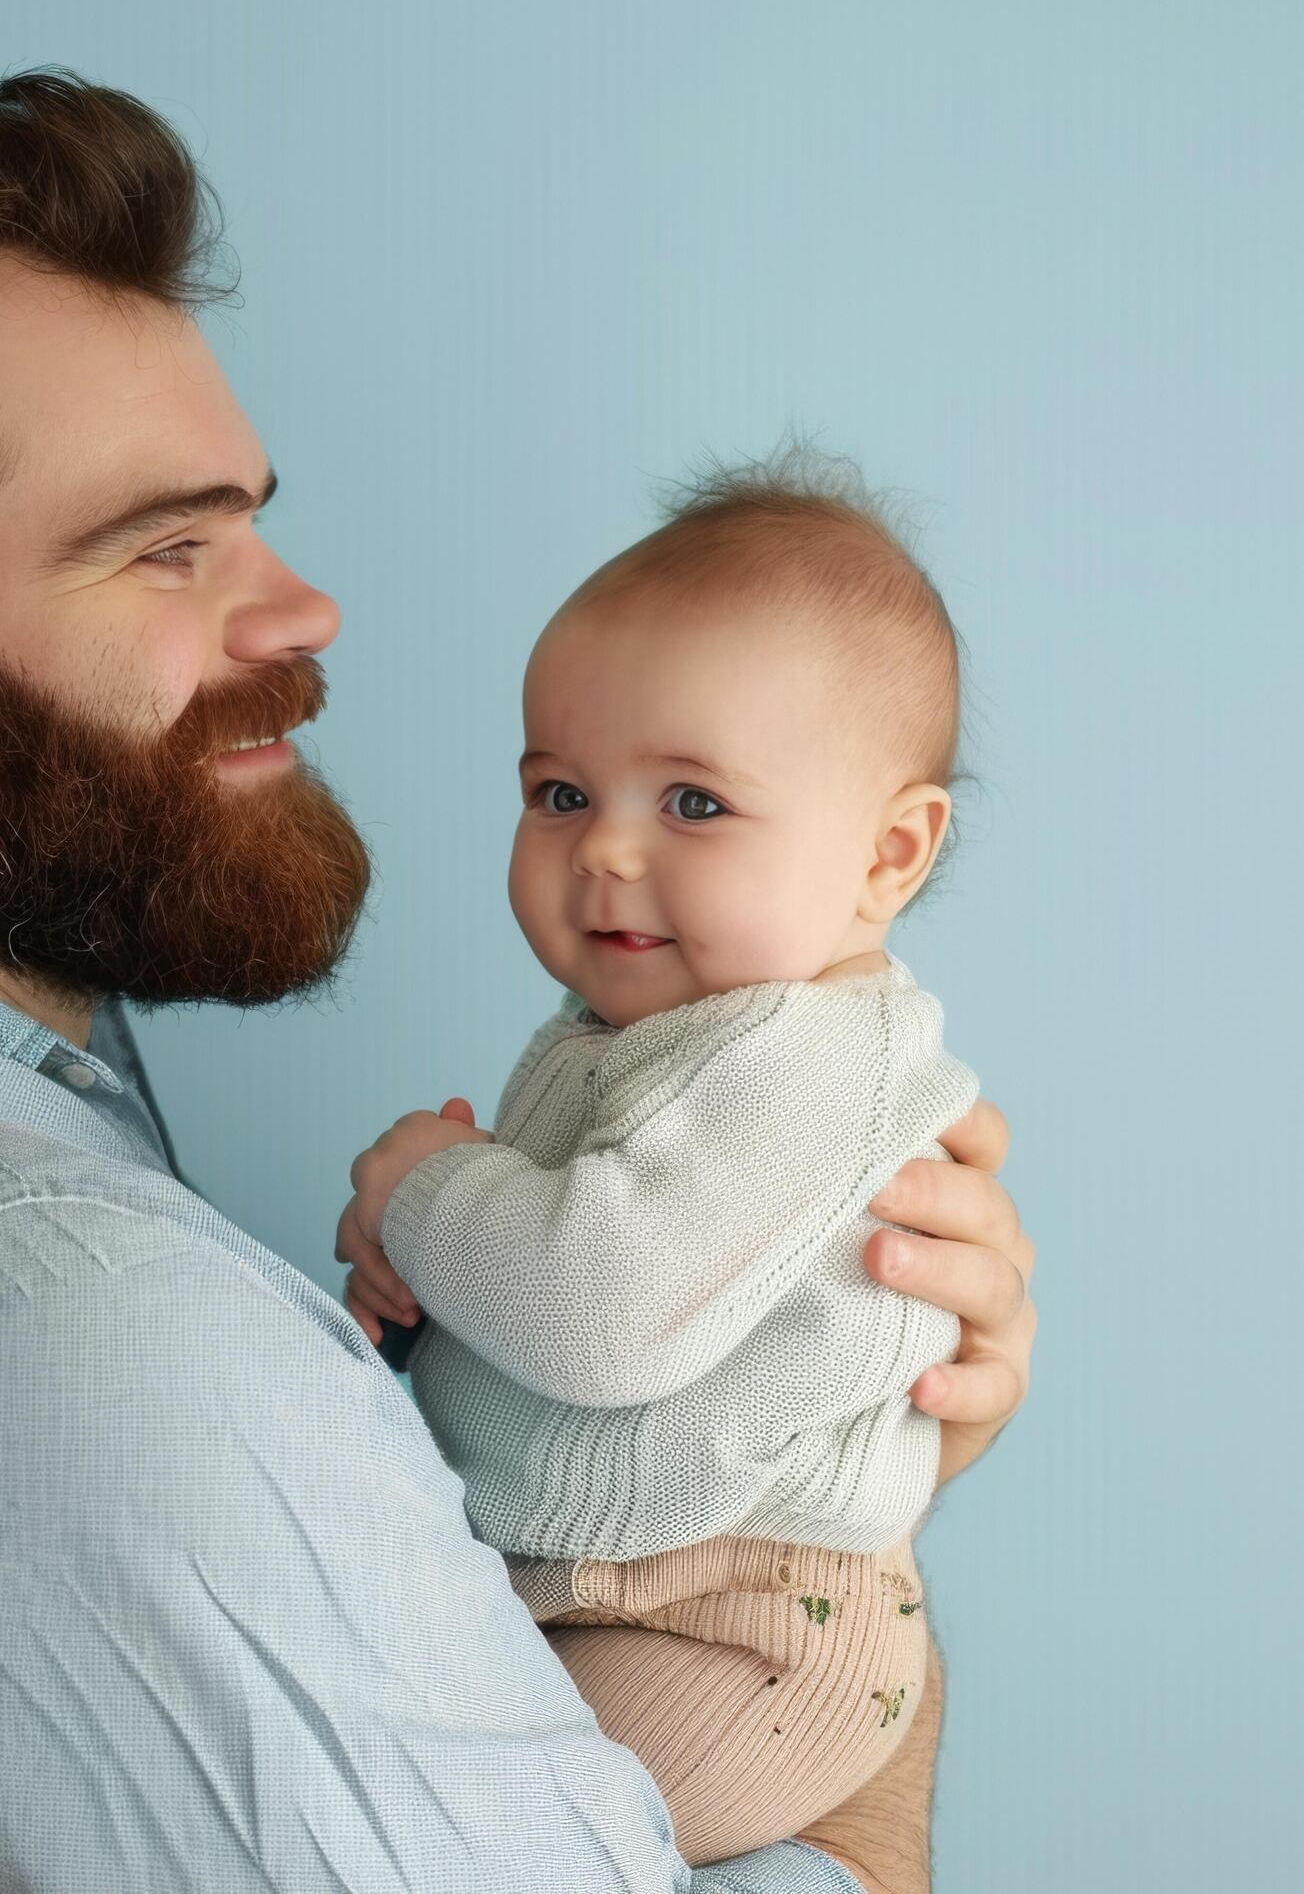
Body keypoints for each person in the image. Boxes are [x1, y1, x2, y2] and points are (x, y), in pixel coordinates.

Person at [0, 71, 1036, 1892]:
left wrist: (831, 1419)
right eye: (168, 547)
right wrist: (873, 1783)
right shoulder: (56, 1324)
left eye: (248, 519)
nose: (301, 611)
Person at [336, 463, 985, 1863]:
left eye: (694, 804)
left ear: (888, 854)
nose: (608, 851)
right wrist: (416, 1292)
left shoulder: (807, 1056)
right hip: (610, 1590)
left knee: (465, 1839)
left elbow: (600, 1311)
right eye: (560, 791)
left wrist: (426, 1188)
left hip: (739, 1632)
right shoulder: (649, 1035)